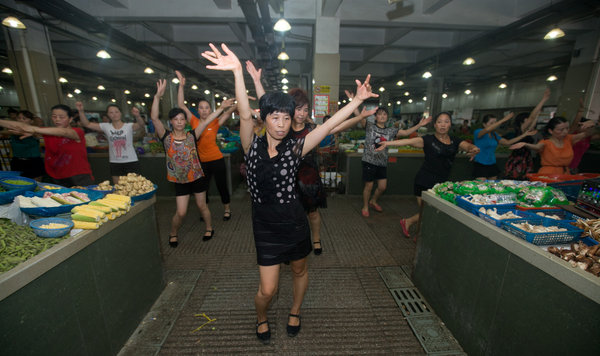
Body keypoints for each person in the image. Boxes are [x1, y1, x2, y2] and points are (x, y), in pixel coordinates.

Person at [202, 42, 378, 344]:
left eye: (286, 118)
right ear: (264, 118)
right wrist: (236, 72)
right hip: (265, 226)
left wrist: (356, 102)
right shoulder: (250, 146)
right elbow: (244, 115)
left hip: (294, 221)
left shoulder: (297, 148)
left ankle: (295, 310)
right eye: (275, 118)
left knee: (299, 269)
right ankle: (261, 316)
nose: (282, 124)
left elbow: (329, 125)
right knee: (266, 291)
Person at [376, 112, 480, 239]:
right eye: (440, 122)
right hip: (424, 181)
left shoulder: (455, 141)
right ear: (435, 125)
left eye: (446, 122)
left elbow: (468, 146)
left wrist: (474, 149)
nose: (443, 125)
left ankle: (415, 231)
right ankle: (413, 227)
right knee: (427, 212)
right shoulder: (427, 140)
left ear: (450, 124)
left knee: (429, 212)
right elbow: (407, 141)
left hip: (441, 183)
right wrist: (387, 144)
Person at [150, 79, 221, 247]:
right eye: (176, 119)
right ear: (171, 122)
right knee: (181, 212)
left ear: (185, 121)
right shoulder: (166, 136)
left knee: (202, 206)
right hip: (180, 180)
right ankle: (173, 233)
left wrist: (222, 108)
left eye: (182, 119)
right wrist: (157, 97)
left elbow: (206, 121)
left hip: (196, 177)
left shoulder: (192, 135)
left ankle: (209, 228)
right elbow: (154, 117)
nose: (180, 122)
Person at [175, 70, 237, 221]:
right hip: (200, 162)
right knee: (203, 189)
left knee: (222, 185)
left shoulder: (215, 122)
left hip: (216, 159)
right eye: (201, 108)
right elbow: (181, 105)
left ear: (210, 110)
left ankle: (227, 209)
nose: (204, 110)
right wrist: (181, 86)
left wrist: (239, 101)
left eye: (206, 108)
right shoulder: (194, 121)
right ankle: (205, 211)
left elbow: (229, 113)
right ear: (198, 110)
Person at [355, 105, 431, 217]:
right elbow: (359, 117)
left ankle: (373, 201)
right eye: (379, 114)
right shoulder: (369, 126)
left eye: (384, 114)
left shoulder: (390, 130)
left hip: (382, 163)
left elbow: (405, 133)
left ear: (387, 117)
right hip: (369, 161)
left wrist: (419, 125)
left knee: (382, 187)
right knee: (369, 186)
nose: (382, 116)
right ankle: (365, 206)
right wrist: (355, 103)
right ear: (375, 117)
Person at [0, 104, 94, 187]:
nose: (57, 120)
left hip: (78, 176)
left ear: (70, 119)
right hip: (55, 176)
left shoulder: (77, 132)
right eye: (54, 116)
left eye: (61, 117)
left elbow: (63, 132)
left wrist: (34, 130)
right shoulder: (48, 132)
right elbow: (22, 126)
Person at [76, 102, 146, 184]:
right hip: (115, 162)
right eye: (111, 112)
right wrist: (81, 111)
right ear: (108, 115)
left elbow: (141, 124)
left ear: (120, 113)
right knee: (118, 187)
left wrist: (137, 115)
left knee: (135, 187)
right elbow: (87, 124)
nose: (114, 114)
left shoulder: (129, 126)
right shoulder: (106, 126)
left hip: (131, 160)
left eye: (116, 112)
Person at [510, 116, 597, 175]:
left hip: (565, 174)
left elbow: (588, 133)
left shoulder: (569, 139)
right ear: (551, 131)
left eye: (567, 128)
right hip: (548, 174)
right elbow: (537, 147)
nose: (565, 132)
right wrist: (525, 144)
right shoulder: (546, 142)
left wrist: (593, 123)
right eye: (561, 130)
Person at [473, 112, 537, 179]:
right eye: (491, 123)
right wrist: (503, 120)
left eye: (495, 122)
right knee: (481, 185)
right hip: (480, 163)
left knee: (492, 185)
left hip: (492, 163)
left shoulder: (494, 134)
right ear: (484, 124)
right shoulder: (478, 132)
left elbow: (508, 142)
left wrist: (524, 135)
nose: (494, 125)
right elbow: (487, 129)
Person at [504, 88, 550, 179]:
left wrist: (537, 115)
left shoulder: (526, 131)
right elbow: (532, 118)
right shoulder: (520, 129)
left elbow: (533, 120)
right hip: (518, 158)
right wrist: (543, 100)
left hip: (526, 158)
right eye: (527, 118)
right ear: (522, 120)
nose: (529, 120)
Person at [7, 110, 45, 180]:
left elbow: (39, 134)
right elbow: (7, 132)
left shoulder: (35, 130)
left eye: (24, 118)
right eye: (19, 118)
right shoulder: (12, 131)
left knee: (37, 184)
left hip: (33, 162)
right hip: (17, 162)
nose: (21, 120)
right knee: (19, 183)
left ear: (31, 121)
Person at [569, 99, 600, 173]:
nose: (587, 129)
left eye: (589, 127)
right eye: (585, 126)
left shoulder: (588, 137)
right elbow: (575, 123)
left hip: (575, 168)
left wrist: (596, 122)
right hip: (565, 167)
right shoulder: (572, 134)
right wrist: (580, 111)